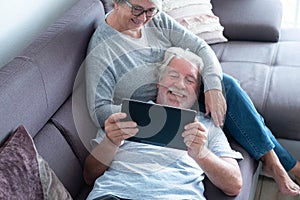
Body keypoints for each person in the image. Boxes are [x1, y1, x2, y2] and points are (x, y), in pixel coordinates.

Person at [85, 0, 300, 195]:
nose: (144, 18)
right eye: (137, 9)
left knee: (227, 86)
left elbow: (199, 46)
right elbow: (99, 108)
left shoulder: (156, 18)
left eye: (151, 10)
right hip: (149, 109)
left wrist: (213, 87)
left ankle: (274, 161)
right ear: (116, 2)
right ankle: (279, 161)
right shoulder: (102, 49)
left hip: (176, 93)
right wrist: (143, 116)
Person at [84, 47, 243, 199]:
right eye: (173, 75)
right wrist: (111, 142)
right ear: (159, 82)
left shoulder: (207, 127)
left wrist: (201, 153)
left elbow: (234, 184)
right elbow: (89, 175)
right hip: (115, 195)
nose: (180, 85)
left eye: (189, 80)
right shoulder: (127, 113)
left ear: (196, 93)